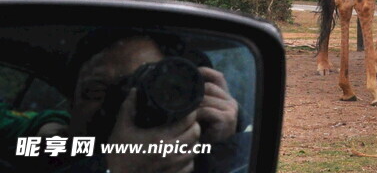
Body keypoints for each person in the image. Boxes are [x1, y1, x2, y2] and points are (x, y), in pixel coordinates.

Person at [4, 29, 245, 173]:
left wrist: (221, 146)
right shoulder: (42, 153)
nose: (122, 102)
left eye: (144, 85)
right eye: (97, 90)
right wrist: (114, 167)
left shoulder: (191, 146)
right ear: (70, 105)